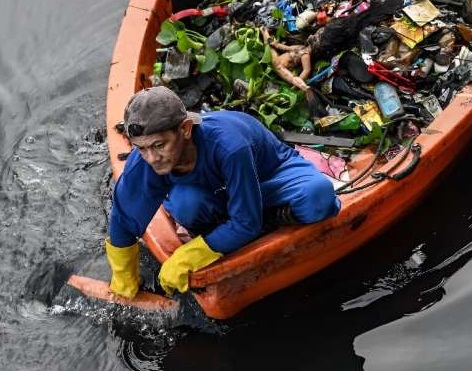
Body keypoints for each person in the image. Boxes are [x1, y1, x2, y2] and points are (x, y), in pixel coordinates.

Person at [106, 86, 341, 299]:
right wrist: (124, 280)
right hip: (218, 195)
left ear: (185, 129)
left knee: (318, 196)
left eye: (159, 145)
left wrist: (190, 256)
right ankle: (229, 232)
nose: (152, 158)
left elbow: (247, 222)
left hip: (268, 179)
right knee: (185, 205)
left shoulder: (230, 145)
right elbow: (124, 219)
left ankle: (244, 228)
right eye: (142, 148)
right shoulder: (144, 162)